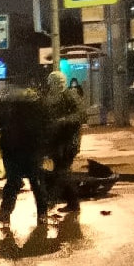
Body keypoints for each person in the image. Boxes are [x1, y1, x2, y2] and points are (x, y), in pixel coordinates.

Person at [0, 87, 50, 226]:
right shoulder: (35, 110)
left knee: (19, 182)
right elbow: (46, 130)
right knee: (33, 182)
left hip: (20, 151)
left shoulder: (13, 111)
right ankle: (41, 213)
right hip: (24, 151)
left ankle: (7, 213)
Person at [44, 71, 87, 212]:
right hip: (57, 142)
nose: (51, 86)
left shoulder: (70, 95)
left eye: (54, 83)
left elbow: (81, 115)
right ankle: (73, 203)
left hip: (69, 142)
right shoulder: (51, 98)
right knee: (60, 171)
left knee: (62, 172)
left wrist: (63, 121)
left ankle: (52, 200)